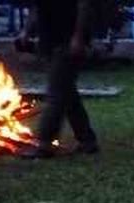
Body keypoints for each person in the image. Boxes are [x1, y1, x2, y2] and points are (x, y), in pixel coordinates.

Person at [17, 0, 99, 157]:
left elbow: (84, 6)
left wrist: (78, 38)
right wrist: (26, 31)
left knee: (56, 93)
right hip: (50, 40)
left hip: (67, 42)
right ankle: (87, 140)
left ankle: (45, 144)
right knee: (67, 92)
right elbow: (37, 6)